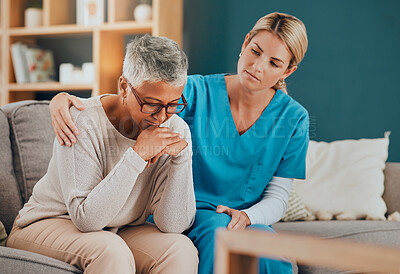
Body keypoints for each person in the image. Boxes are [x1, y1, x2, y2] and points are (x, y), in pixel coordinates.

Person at [48, 12, 309, 274]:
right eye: (255, 51)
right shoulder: (194, 92)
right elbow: (135, 98)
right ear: (245, 43)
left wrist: (250, 217)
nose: (258, 66)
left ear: (288, 70)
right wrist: (64, 99)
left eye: (274, 63)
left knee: (270, 252)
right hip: (189, 211)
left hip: (245, 218)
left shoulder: (294, 119)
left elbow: (278, 196)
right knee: (224, 240)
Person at [6, 35, 199, 274]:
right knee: (111, 251)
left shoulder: (176, 129)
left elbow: (173, 225)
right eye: (151, 104)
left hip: (117, 228)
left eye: (172, 104)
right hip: (49, 223)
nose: (161, 117)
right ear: (124, 87)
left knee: (180, 248)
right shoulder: (81, 120)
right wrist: (136, 155)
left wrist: (181, 160)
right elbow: (86, 219)